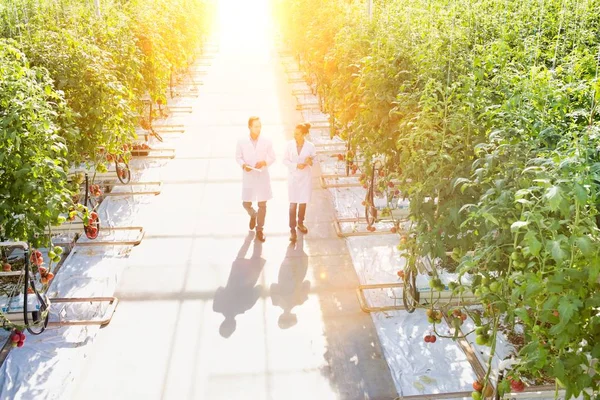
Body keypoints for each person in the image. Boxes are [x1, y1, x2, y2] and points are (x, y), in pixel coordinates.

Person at [236, 116, 276, 242]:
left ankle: (260, 229)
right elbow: (238, 157)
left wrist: (265, 162)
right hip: (249, 176)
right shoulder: (242, 141)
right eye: (256, 126)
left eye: (260, 126)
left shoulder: (267, 141)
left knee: (262, 204)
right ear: (249, 127)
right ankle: (253, 215)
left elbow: (273, 157)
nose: (258, 129)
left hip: (262, 175)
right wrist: (243, 165)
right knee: (246, 203)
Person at [283, 122, 317, 242]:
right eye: (294, 133)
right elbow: (285, 160)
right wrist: (297, 165)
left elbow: (315, 160)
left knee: (303, 203)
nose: (294, 135)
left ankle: (300, 223)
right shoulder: (289, 145)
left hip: (305, 178)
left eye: (297, 134)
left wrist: (309, 161)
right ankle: (292, 230)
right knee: (293, 205)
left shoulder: (310, 146)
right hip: (293, 177)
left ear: (303, 134)